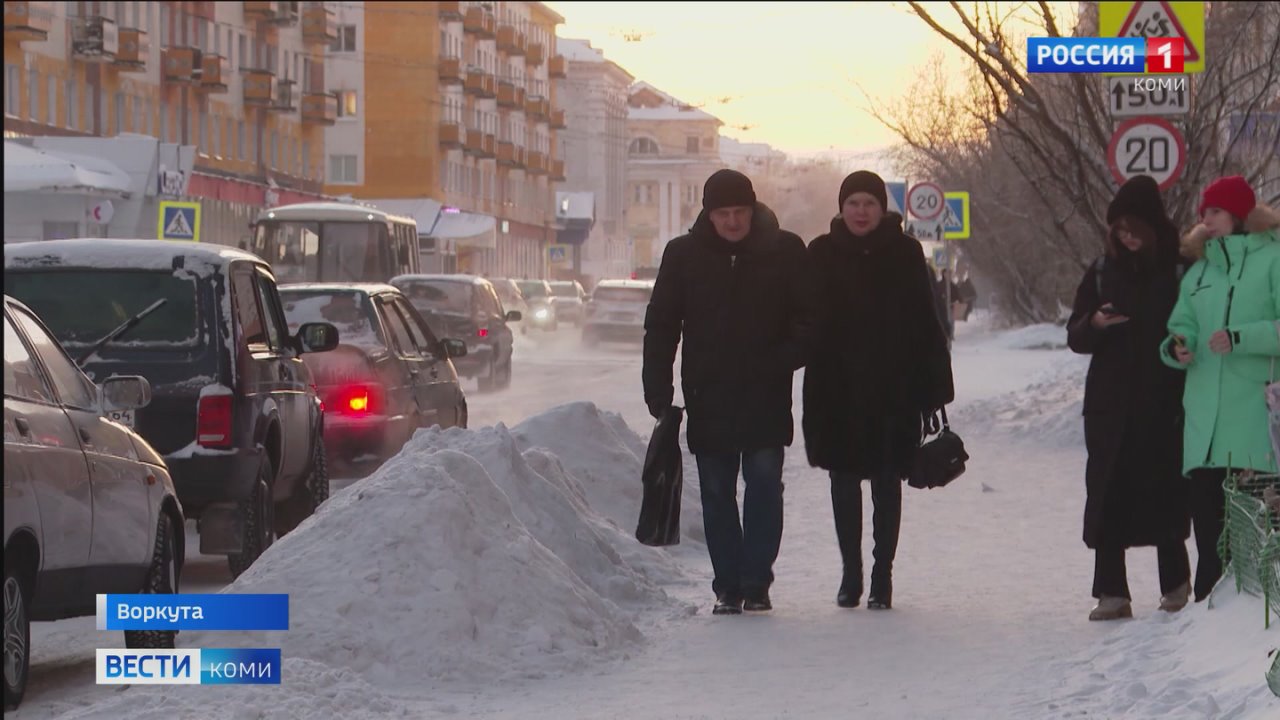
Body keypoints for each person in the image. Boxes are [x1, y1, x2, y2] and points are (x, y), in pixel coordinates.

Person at [643, 169, 818, 616]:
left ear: (753, 209)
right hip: (709, 393)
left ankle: (756, 582)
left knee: (764, 486)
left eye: (740, 211)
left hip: (766, 393)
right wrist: (658, 388)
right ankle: (727, 586)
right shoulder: (683, 255)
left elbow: (810, 320)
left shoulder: (784, 251)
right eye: (723, 213)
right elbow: (661, 325)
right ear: (708, 214)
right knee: (717, 492)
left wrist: (781, 358)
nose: (733, 221)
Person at [802, 171, 954, 610]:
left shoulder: (905, 253)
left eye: (869, 203)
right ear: (841, 207)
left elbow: (926, 320)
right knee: (843, 481)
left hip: (894, 388)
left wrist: (934, 388)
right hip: (836, 388)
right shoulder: (821, 252)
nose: (861, 211)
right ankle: (851, 573)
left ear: (882, 208)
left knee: (888, 482)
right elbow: (804, 317)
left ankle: (882, 575)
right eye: (853, 203)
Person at [1066, 175, 1192, 621]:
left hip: (1164, 400)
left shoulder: (1179, 271)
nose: (1127, 237)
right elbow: (1075, 334)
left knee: (1165, 489)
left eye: (1134, 229)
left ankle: (1176, 585)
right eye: (1119, 230)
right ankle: (1111, 593)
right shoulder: (1103, 270)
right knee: (1108, 493)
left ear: (1153, 226)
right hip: (1110, 404)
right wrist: (1095, 325)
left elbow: (1194, 322)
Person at [1161, 175, 1280, 602]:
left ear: (1239, 214)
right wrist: (1178, 346)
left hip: (1254, 427)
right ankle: (1206, 618)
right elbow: (1181, 324)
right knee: (1209, 542)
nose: (1205, 219)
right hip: (1203, 430)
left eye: (1215, 211)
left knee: (1252, 545)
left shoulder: (1274, 259)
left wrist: (1241, 338)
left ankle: (1245, 623)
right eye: (1203, 212)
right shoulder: (1200, 270)